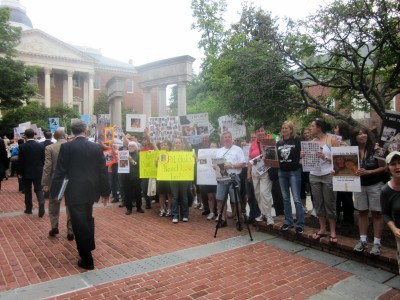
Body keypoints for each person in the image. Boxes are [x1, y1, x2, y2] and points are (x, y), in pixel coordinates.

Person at [51, 120, 110, 270]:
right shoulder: (96, 148)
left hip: (74, 190)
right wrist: (105, 192)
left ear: (72, 131)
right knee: (87, 219)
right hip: (91, 190)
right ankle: (88, 247)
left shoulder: (67, 147)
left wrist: (55, 194)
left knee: (80, 223)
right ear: (85, 130)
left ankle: (87, 258)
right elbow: (103, 171)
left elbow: (60, 172)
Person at [350, 127, 386, 255]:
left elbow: (384, 168)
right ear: (354, 137)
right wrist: (337, 172)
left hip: (375, 184)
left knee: (376, 213)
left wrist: (368, 171)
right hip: (358, 185)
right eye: (359, 134)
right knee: (362, 212)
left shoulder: (375, 148)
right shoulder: (350, 151)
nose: (363, 135)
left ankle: (377, 243)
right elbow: (343, 167)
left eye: (364, 133)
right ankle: (363, 240)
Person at [309, 119, 340, 244]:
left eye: (312, 126)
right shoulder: (311, 142)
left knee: (330, 202)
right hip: (314, 175)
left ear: (319, 127)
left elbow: (339, 158)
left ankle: (333, 231)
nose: (310, 128)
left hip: (328, 175)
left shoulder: (331, 139)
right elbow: (305, 162)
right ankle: (322, 229)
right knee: (318, 203)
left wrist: (325, 157)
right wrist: (303, 156)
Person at [41, 128, 74, 240]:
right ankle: (70, 230)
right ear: (65, 136)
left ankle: (54, 226)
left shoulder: (50, 148)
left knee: (54, 203)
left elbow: (47, 166)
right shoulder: (71, 146)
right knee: (70, 204)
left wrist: (45, 182)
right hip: (70, 178)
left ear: (55, 137)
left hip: (55, 178)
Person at [277, 121, 305, 233]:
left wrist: (302, 156)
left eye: (286, 128)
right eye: (283, 128)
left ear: (291, 129)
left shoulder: (297, 141)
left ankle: (300, 224)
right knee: (285, 198)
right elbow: (275, 157)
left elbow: (303, 153)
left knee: (297, 199)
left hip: (294, 171)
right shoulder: (279, 143)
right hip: (282, 172)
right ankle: (288, 221)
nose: (284, 129)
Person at [215, 131, 246, 228]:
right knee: (220, 199)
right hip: (222, 177)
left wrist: (231, 165)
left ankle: (238, 219)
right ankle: (223, 219)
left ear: (231, 139)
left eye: (229, 137)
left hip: (233, 177)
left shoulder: (238, 149)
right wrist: (215, 166)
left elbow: (243, 164)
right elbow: (216, 164)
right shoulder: (219, 151)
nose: (227, 139)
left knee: (236, 200)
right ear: (222, 140)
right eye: (225, 137)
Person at [248, 125, 274, 225]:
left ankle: (269, 215)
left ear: (265, 131)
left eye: (262, 130)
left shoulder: (270, 142)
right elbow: (249, 159)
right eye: (258, 131)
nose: (260, 132)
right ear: (255, 133)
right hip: (255, 170)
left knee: (265, 193)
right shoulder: (253, 144)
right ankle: (263, 213)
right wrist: (248, 173)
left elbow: (274, 155)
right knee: (258, 193)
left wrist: (267, 158)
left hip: (266, 169)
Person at [18, 129, 45, 217]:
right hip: (38, 171)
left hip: (27, 171)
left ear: (25, 135)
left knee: (28, 190)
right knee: (39, 189)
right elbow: (43, 159)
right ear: (34, 135)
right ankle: (41, 201)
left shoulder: (22, 146)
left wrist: (19, 172)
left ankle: (29, 209)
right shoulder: (40, 145)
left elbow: (21, 161)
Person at [381, 151, 400, 274]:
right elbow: (385, 213)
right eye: (393, 164)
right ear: (388, 167)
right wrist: (394, 229)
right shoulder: (386, 190)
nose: (398, 167)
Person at [334, 121, 354, 224]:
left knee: (347, 197)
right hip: (336, 174)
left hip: (347, 175)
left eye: (336, 128)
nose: (335, 130)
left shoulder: (349, 142)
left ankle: (348, 219)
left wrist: (346, 147)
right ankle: (336, 217)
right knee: (337, 197)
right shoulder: (333, 141)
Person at [124, 141, 143, 214]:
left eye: (132, 146)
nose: (131, 147)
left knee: (137, 192)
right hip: (127, 176)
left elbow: (137, 164)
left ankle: (139, 207)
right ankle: (129, 208)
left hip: (136, 177)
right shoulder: (124, 154)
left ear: (135, 147)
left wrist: (131, 160)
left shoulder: (138, 155)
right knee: (127, 193)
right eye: (129, 146)